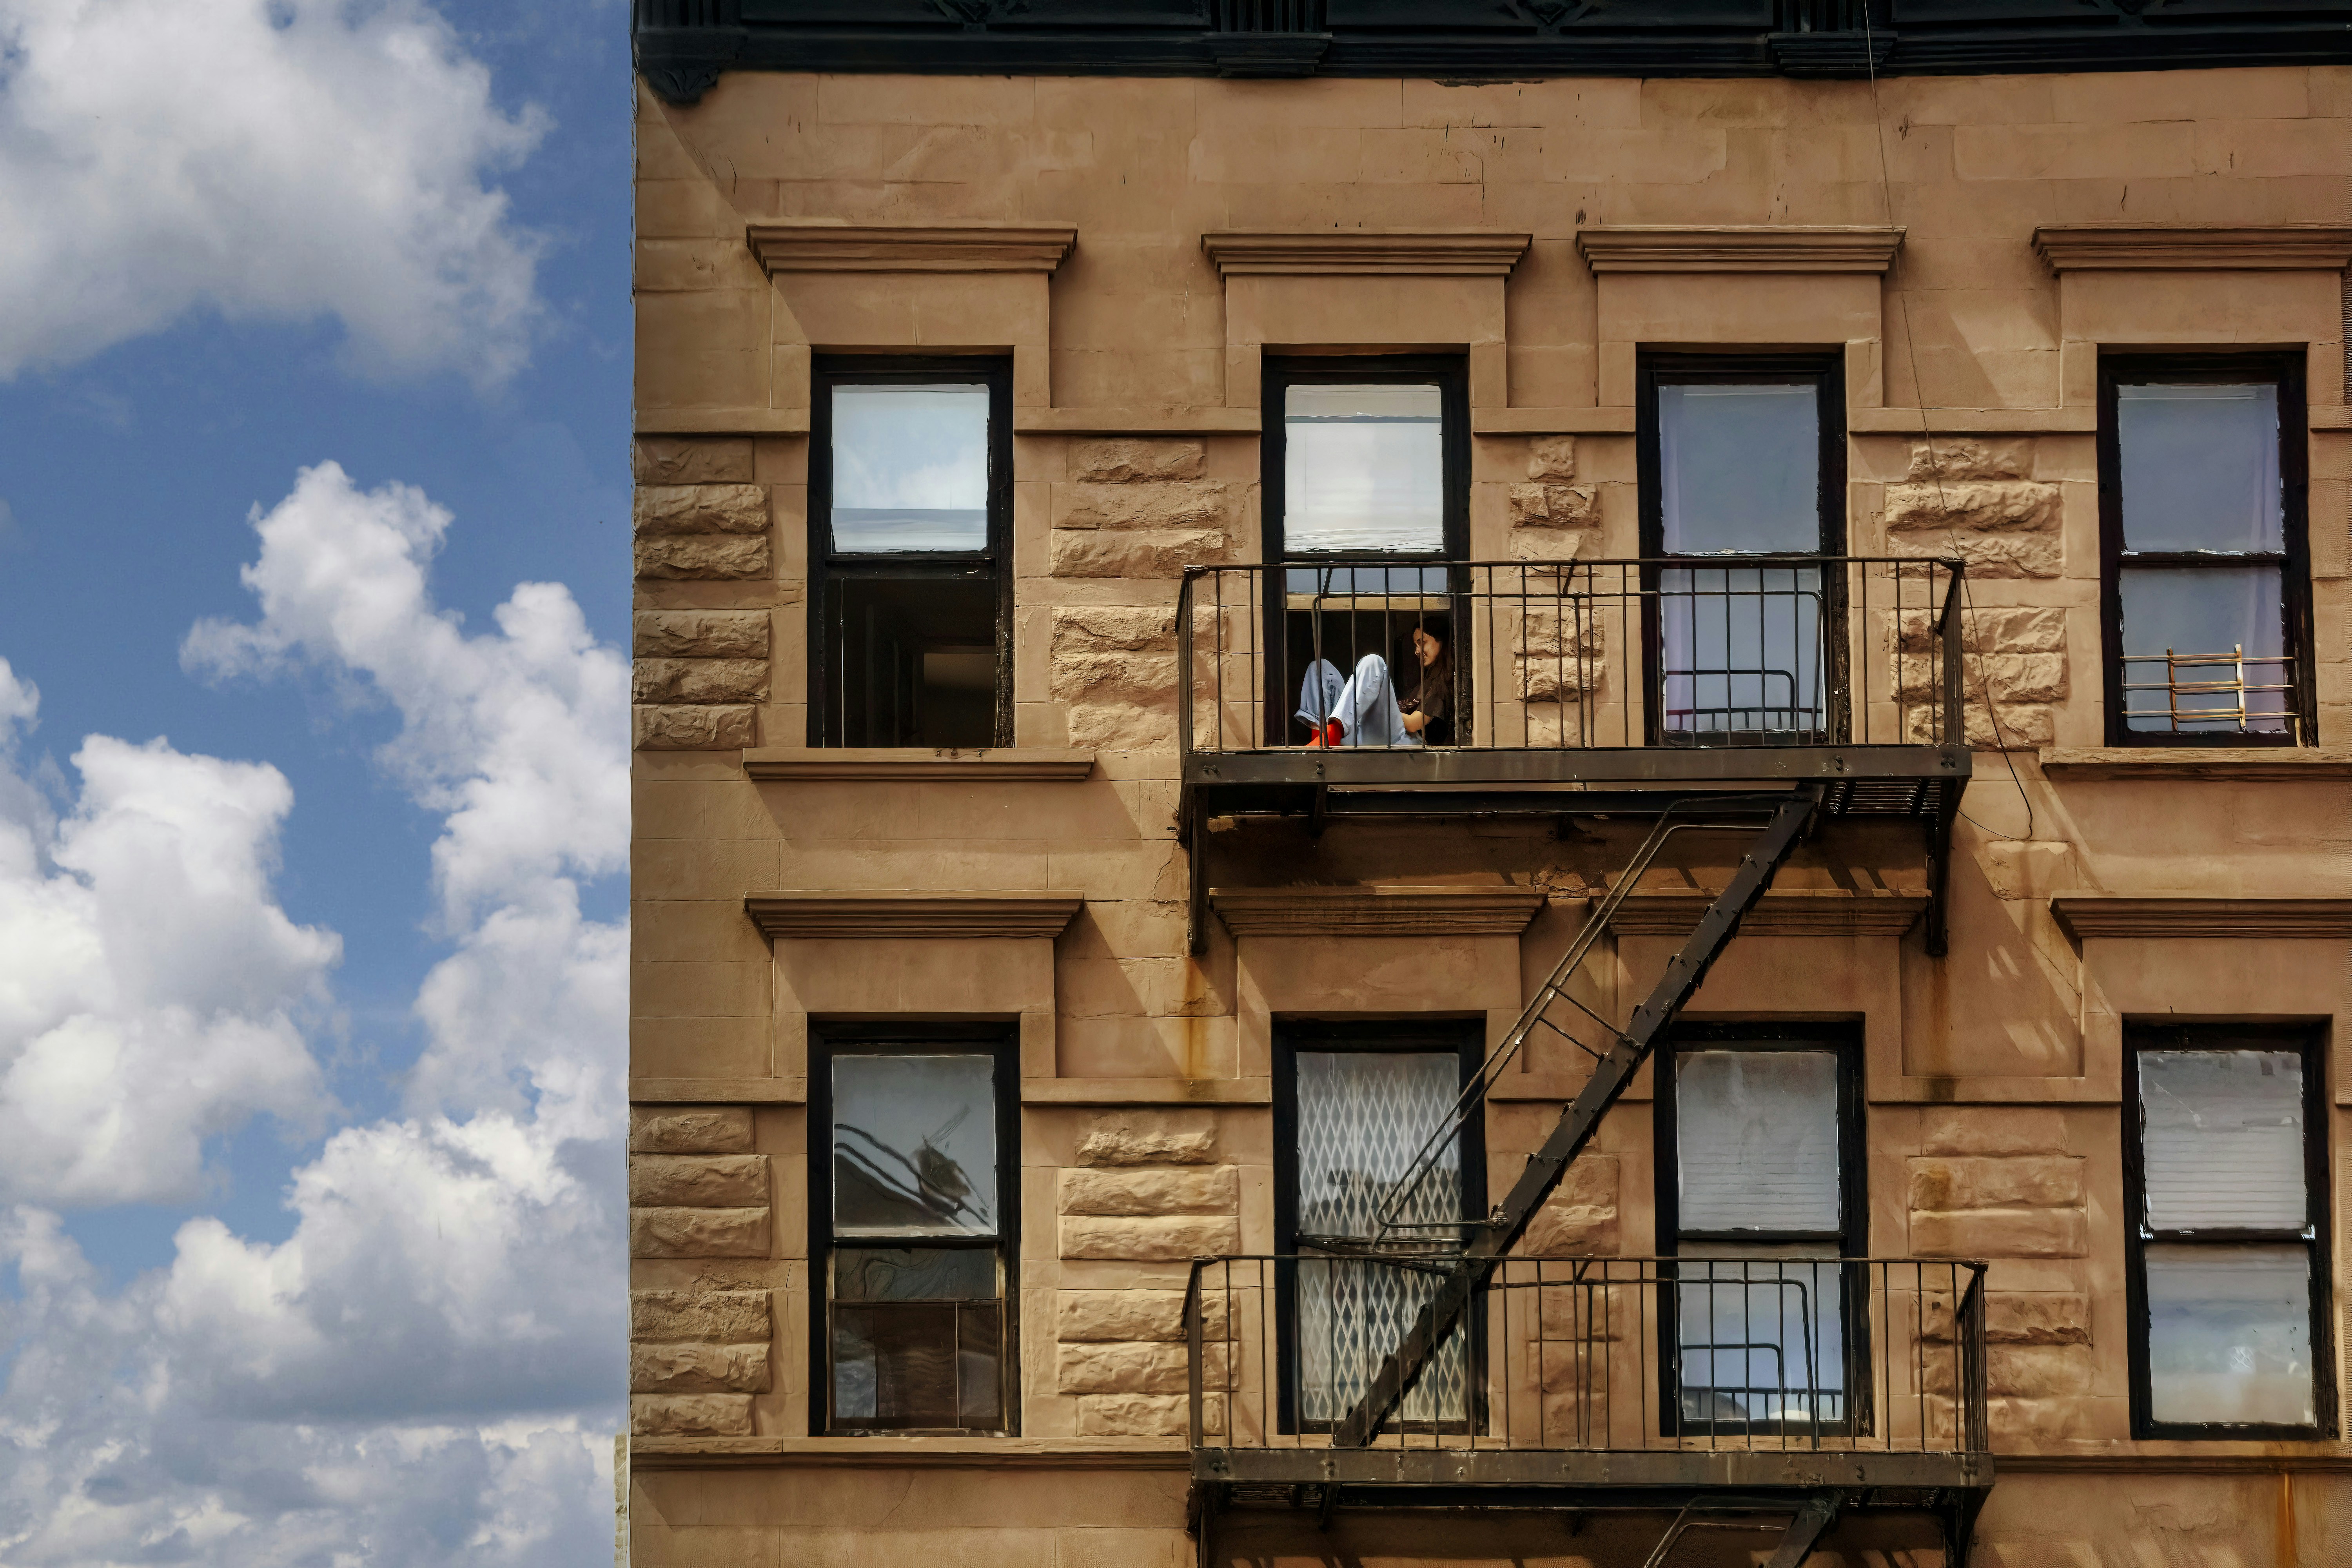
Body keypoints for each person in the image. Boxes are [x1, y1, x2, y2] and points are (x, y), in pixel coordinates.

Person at [1296, 615, 1454, 747]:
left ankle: (1334, 732)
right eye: (1416, 644)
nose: (1417, 651)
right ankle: (1321, 739)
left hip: (1404, 742)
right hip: (1370, 735)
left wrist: (1373, 706)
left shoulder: (1440, 684)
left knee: (1374, 663)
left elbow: (1413, 724)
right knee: (1320, 668)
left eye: (1422, 642)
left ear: (1442, 641)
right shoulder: (1424, 681)